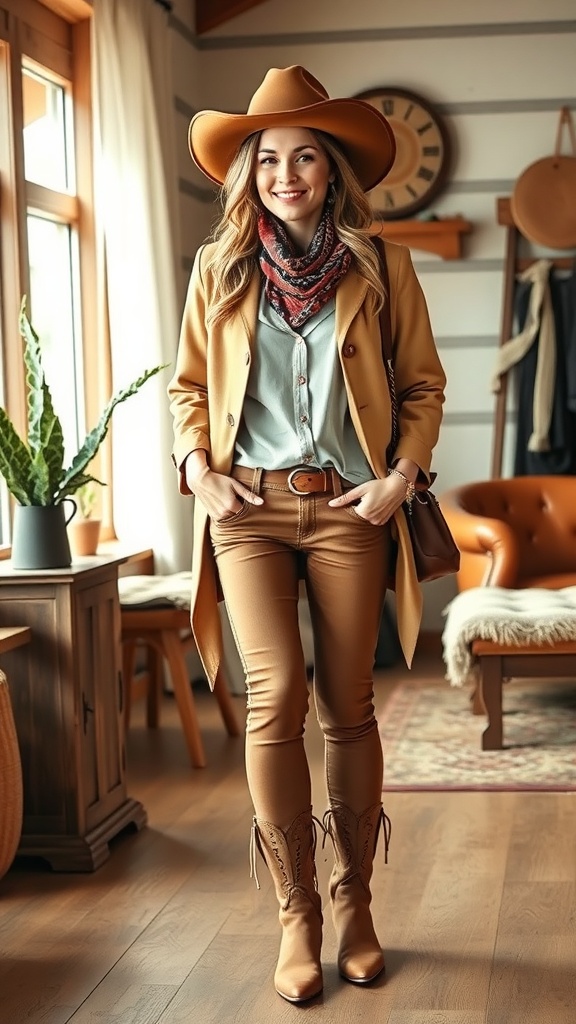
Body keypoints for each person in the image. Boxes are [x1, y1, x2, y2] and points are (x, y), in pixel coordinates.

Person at [168, 65, 446, 1004]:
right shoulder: (219, 269)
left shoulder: (382, 265)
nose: (287, 173)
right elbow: (189, 390)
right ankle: (299, 916)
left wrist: (399, 479)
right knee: (273, 693)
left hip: (347, 508)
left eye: (306, 157)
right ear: (250, 172)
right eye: (270, 158)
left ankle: (357, 903)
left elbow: (422, 389)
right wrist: (197, 469)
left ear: (331, 171)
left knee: (348, 699)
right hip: (243, 510)